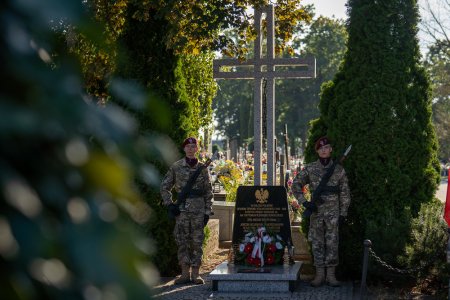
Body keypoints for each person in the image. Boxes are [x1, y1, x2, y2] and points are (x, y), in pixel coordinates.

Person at [291, 136, 351, 287]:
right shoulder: (311, 169)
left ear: (330, 149)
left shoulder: (338, 170)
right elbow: (295, 185)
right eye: (320, 149)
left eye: (326, 148)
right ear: (317, 152)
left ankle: (331, 275)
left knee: (332, 243)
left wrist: (343, 212)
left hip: (333, 213)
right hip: (316, 212)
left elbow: (345, 192)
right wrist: (305, 202)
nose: (323, 150)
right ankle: (319, 275)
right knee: (317, 243)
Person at [160, 137, 214, 285]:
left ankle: (196, 274)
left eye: (193, 146)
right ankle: (184, 273)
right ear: (184, 149)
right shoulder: (176, 167)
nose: (190, 149)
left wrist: (207, 212)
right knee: (182, 241)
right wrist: (170, 204)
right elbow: (164, 187)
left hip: (198, 210)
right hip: (182, 211)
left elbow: (209, 191)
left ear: (197, 149)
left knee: (197, 242)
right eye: (188, 146)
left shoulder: (202, 168)